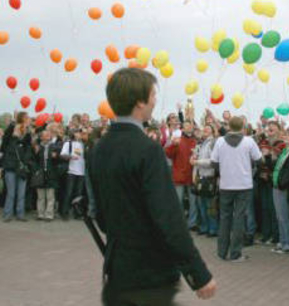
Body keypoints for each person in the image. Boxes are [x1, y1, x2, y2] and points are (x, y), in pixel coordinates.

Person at [89, 67, 216, 306]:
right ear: (140, 102)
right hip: (150, 274)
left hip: (118, 268)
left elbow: (100, 213)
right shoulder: (147, 149)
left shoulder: (100, 147)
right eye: (153, 95)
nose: (155, 101)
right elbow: (168, 217)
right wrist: (198, 274)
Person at [211, 116, 262, 262]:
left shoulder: (220, 141)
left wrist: (225, 169)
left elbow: (214, 162)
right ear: (243, 127)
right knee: (239, 218)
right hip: (244, 185)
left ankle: (222, 252)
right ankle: (235, 253)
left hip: (226, 184)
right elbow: (259, 160)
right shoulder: (249, 141)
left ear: (228, 127)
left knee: (225, 218)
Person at [1, 112, 32, 222]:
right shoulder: (10, 134)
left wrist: (26, 162)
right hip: (10, 166)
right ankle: (7, 214)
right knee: (11, 192)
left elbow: (29, 149)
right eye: (27, 117)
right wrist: (13, 131)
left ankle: (20, 214)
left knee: (21, 193)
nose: (29, 119)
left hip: (22, 167)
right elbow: (3, 146)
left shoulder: (28, 134)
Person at [32, 129, 60, 221]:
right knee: (40, 196)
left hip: (51, 174)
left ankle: (49, 215)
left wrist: (56, 157)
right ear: (41, 137)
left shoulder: (54, 146)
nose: (48, 135)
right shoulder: (38, 147)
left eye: (49, 134)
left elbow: (58, 160)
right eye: (45, 134)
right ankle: (40, 214)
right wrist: (36, 170)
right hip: (40, 174)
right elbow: (33, 160)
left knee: (50, 196)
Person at [60, 129, 86, 220]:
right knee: (69, 192)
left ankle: (77, 213)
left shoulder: (83, 144)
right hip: (71, 171)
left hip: (82, 172)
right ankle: (65, 213)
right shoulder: (68, 143)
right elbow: (62, 154)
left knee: (78, 194)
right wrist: (70, 157)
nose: (79, 134)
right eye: (77, 132)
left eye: (80, 133)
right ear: (73, 134)